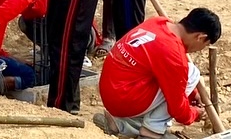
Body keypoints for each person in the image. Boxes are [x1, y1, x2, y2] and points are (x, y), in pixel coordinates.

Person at [94, 8, 221, 139]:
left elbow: (167, 75)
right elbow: (178, 111)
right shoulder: (174, 54)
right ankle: (151, 133)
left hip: (112, 89)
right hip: (124, 98)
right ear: (201, 37)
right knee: (192, 72)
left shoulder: (159, 22)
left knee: (182, 75)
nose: (199, 50)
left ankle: (119, 124)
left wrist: (192, 94)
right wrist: (195, 114)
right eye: (204, 45)